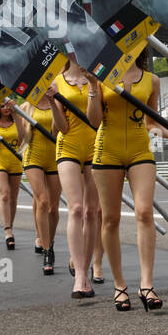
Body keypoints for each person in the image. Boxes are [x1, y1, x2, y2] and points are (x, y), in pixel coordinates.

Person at [87, 48, 165, 312]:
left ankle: (147, 284)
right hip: (106, 150)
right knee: (110, 218)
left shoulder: (151, 80)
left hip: (141, 151)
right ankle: (120, 285)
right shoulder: (102, 76)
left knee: (144, 212)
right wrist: (93, 86)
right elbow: (94, 120)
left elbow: (152, 122)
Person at [54, 62, 103, 298]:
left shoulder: (99, 77)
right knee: (75, 208)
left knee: (91, 212)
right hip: (68, 146)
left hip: (96, 147)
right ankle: (81, 276)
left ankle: (88, 265)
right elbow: (61, 128)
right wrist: (54, 103)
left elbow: (96, 121)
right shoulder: (57, 81)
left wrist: (93, 84)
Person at [22, 90, 67, 275]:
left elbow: (62, 130)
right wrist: (20, 120)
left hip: (55, 156)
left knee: (53, 207)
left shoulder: (59, 101)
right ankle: (48, 250)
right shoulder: (26, 106)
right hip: (33, 156)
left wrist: (53, 101)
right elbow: (24, 140)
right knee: (42, 201)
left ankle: (50, 240)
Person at [0, 101, 25, 250]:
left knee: (13, 199)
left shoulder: (17, 121)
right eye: (1, 106)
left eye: (7, 105)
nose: (5, 108)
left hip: (16, 162)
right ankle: (7, 231)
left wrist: (17, 116)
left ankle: (11, 226)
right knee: (5, 195)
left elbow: (22, 141)